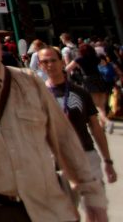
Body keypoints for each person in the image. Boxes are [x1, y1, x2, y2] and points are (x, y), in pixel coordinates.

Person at [0, 11, 107, 222]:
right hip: (0, 209)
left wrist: (92, 197)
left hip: (50, 205)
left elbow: (64, 138)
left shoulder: (29, 82)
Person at [39, 46, 117, 201]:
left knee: (96, 207)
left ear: (62, 62)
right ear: (40, 65)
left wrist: (108, 161)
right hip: (56, 161)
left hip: (86, 155)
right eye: (45, 62)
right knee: (66, 213)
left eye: (53, 60)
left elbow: (95, 127)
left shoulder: (80, 92)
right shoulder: (38, 95)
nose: (50, 65)